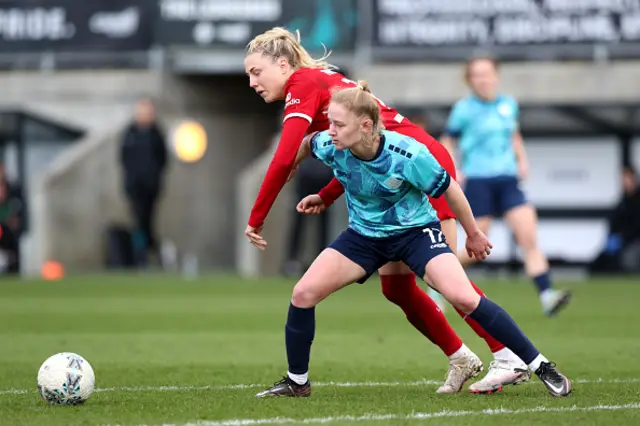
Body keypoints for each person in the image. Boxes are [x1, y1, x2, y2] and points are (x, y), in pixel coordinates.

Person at [243, 27, 531, 394]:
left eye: (256, 72)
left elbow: (286, 155)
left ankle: (506, 354)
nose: (252, 82)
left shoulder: (302, 83)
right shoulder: (317, 80)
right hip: (396, 171)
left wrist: (256, 218)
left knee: (448, 279)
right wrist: (329, 195)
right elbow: (360, 160)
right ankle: (460, 357)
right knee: (396, 289)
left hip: (421, 167)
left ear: (283, 65)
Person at [440, 55, 571, 317]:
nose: (483, 79)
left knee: (528, 237)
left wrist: (522, 160)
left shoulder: (508, 105)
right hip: (479, 181)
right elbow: (446, 140)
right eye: (477, 75)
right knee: (477, 246)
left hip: (508, 180)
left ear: (496, 76)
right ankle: (438, 277)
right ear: (470, 80)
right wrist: (454, 171)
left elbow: (514, 136)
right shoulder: (464, 109)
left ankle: (547, 295)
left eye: (487, 73)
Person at [120, 97, 168, 267]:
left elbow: (163, 159)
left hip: (151, 186)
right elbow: (124, 159)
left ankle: (150, 252)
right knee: (138, 220)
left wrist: (154, 177)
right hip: (134, 186)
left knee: (147, 220)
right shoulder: (129, 133)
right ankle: (140, 256)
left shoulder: (156, 134)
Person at [590, 165, 640, 274]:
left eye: (627, 179)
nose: (625, 182)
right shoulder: (623, 201)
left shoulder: (637, 200)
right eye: (623, 179)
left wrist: (623, 237)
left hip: (633, 242)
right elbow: (614, 220)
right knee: (596, 266)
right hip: (618, 241)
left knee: (623, 263)